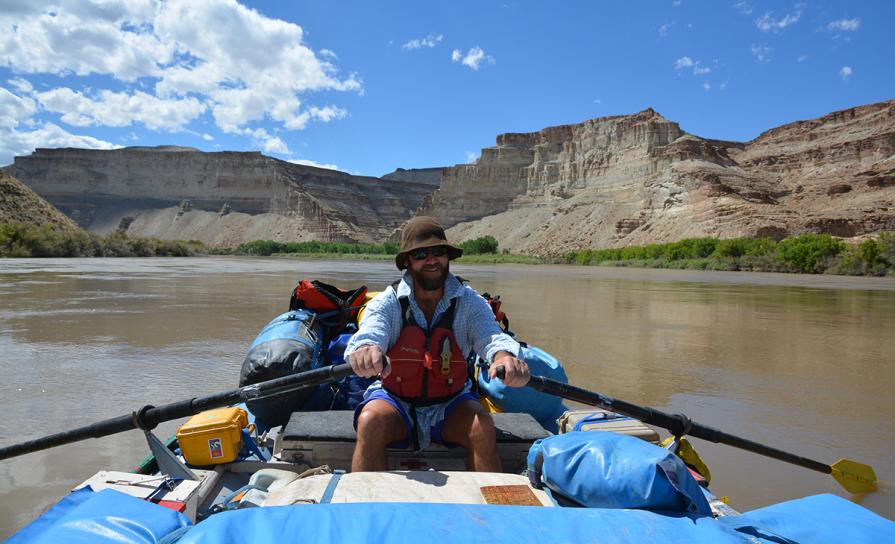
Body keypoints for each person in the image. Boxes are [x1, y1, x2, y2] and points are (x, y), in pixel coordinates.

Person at [345, 217, 530, 472]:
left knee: (481, 425)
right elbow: (372, 331)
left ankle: (490, 510)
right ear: (407, 261)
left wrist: (504, 356)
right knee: (370, 421)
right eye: (421, 253)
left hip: (451, 402)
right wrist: (366, 349)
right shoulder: (388, 302)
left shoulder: (469, 301)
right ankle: (365, 509)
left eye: (439, 252)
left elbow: (491, 336)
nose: (432, 260)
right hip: (396, 401)